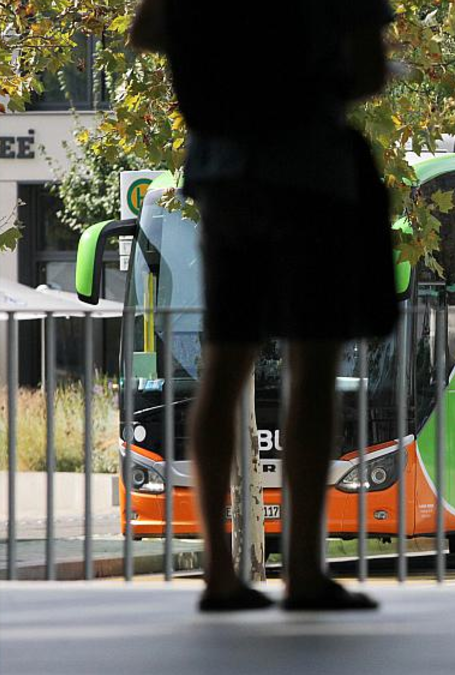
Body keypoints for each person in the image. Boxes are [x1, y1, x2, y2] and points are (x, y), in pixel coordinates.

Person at [132, 0, 399, 611]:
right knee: (312, 365)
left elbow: (148, 30)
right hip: (311, 175)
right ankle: (303, 570)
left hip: (224, 175)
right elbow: (370, 70)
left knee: (225, 363)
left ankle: (220, 576)